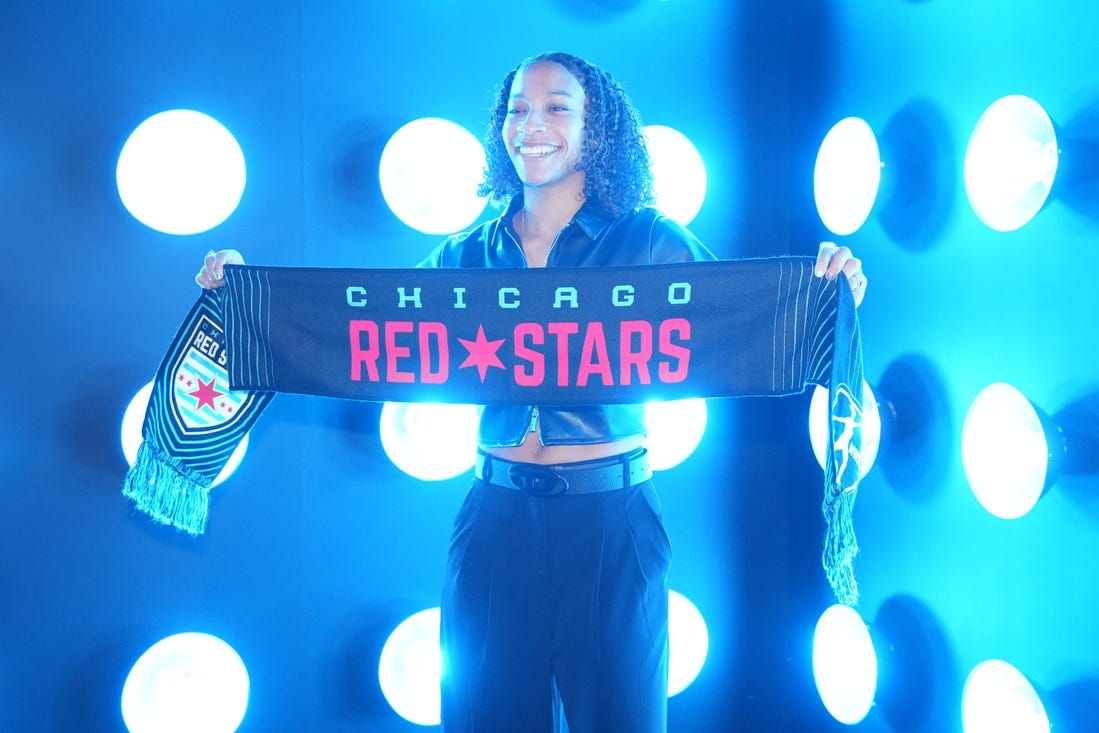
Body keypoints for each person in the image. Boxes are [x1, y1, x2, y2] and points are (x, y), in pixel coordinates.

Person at [197, 51, 867, 733]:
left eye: (555, 107)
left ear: (596, 129)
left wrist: (824, 293)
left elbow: (737, 317)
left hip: (613, 524)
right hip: (494, 521)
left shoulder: (649, 240)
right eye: (517, 108)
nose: (531, 124)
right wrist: (255, 300)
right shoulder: (466, 254)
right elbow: (365, 324)